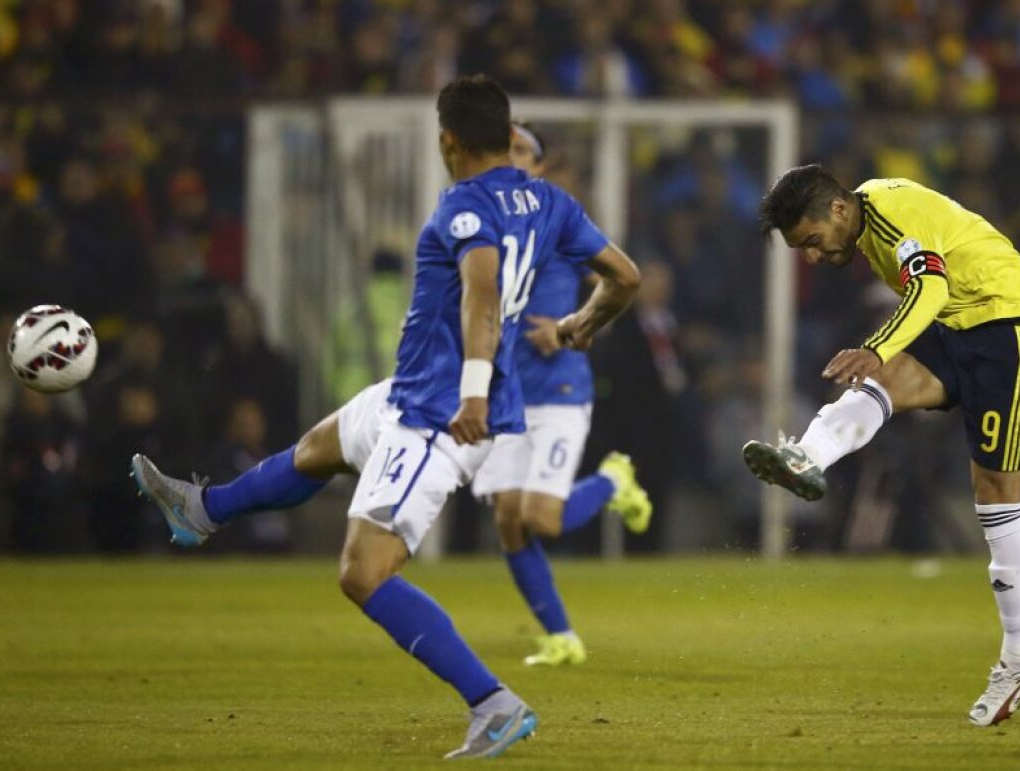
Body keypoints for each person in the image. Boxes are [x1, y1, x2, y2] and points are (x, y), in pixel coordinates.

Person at [129, 74, 641, 759]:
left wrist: (474, 391)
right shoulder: (551, 202)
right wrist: (584, 323)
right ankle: (203, 509)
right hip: (413, 391)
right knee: (320, 447)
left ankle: (494, 702)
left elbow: (482, 293)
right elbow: (626, 277)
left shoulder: (462, 206)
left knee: (363, 572)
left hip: (439, 413)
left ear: (447, 140)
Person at [747, 165, 1020, 728]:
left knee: (995, 498)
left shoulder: (890, 215)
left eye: (812, 242)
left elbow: (931, 285)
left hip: (1011, 341)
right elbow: (965, 233)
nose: (814, 257)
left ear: (839, 211)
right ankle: (806, 456)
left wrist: (877, 344)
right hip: (967, 325)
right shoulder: (873, 215)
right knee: (883, 383)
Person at [470, 122, 652, 668]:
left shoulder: (557, 217)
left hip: (560, 390)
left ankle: (612, 481)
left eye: (525, 151)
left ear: (542, 167)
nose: (514, 159)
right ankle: (561, 637)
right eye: (506, 150)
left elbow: (618, 280)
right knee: (508, 521)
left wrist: (572, 323)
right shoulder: (479, 222)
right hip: (509, 394)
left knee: (542, 520)